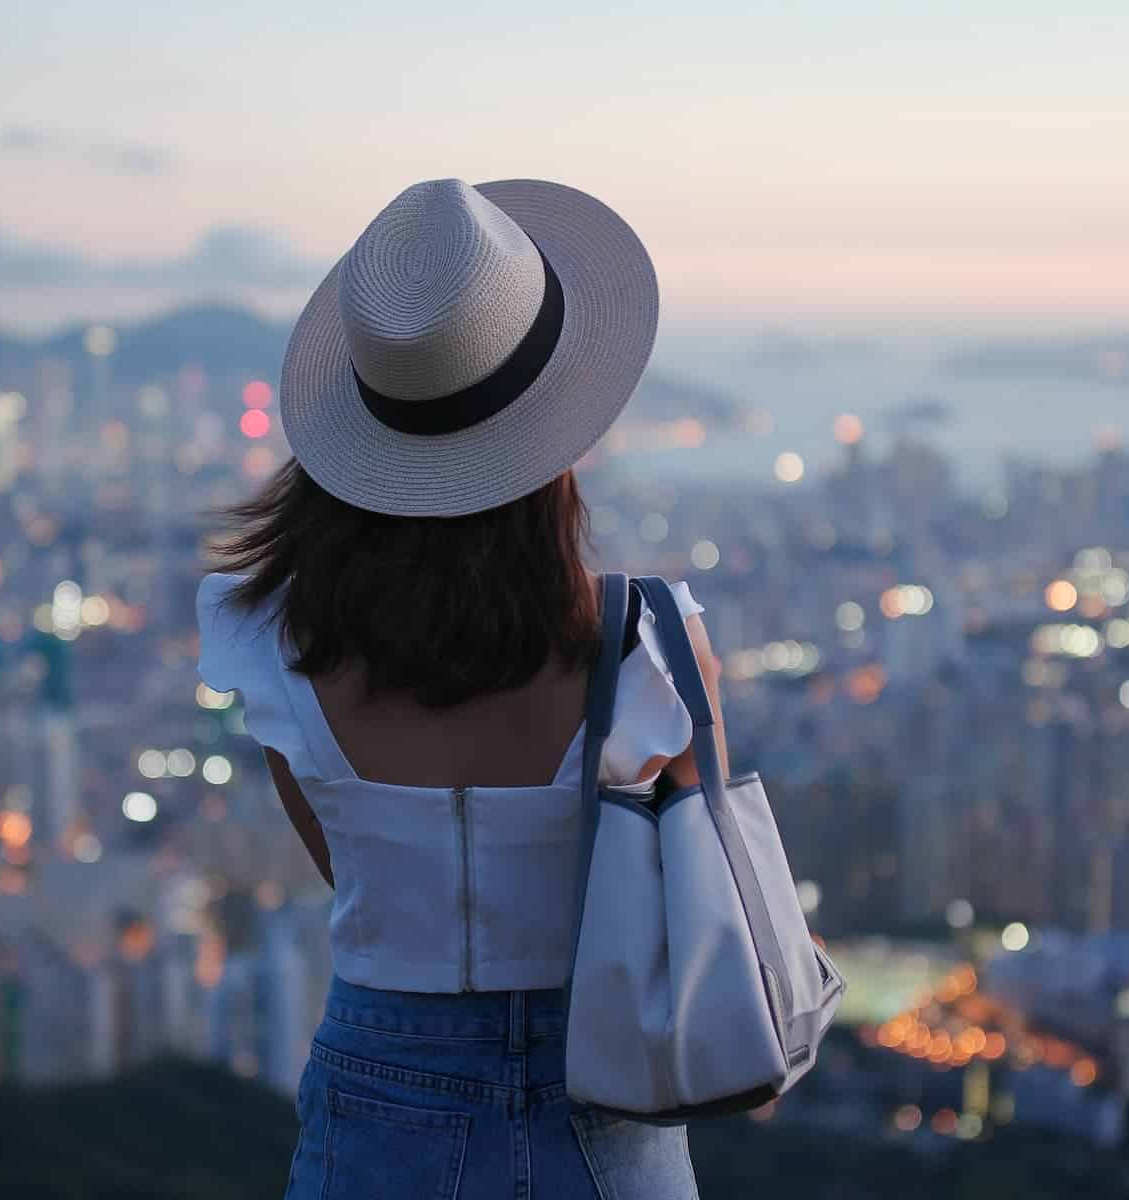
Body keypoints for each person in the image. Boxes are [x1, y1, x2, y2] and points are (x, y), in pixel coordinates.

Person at [197, 178, 724, 1199]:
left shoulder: (266, 638)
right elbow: (688, 887)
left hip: (377, 1102)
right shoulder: (651, 644)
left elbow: (353, 879)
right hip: (608, 1105)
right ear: (557, 434)